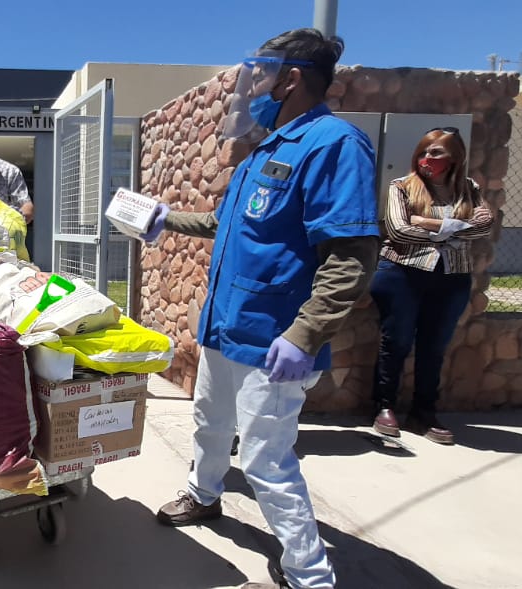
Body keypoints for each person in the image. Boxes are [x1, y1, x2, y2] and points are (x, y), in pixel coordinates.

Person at [139, 29, 379, 589]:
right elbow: (229, 226)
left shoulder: (333, 145)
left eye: (262, 75)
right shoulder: (266, 150)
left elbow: (350, 256)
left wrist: (306, 333)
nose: (253, 88)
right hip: (226, 328)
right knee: (209, 423)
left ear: (292, 78)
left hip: (275, 340)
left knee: (268, 459)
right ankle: (204, 495)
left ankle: (308, 572)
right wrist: (165, 219)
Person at [369, 128, 493, 444]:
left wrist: (427, 223)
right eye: (424, 152)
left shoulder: (469, 189)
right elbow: (398, 232)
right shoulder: (403, 187)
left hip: (452, 277)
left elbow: (483, 229)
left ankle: (423, 412)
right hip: (403, 273)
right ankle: (384, 406)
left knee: (434, 347)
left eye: (436, 152)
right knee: (395, 342)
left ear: (455, 156)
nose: (427, 159)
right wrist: (457, 227)